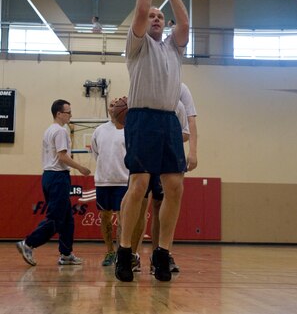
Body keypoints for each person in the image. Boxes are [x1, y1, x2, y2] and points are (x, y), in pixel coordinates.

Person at [115, 0, 189, 282]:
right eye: (153, 16)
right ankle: (124, 252)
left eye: (161, 16)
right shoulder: (138, 44)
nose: (156, 18)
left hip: (169, 120)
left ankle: (162, 253)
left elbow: (184, 25)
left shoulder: (174, 47)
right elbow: (142, 11)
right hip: (142, 117)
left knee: (174, 186)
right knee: (140, 184)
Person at [16, 99, 91, 266]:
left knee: (67, 218)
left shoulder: (49, 130)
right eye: (68, 112)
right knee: (56, 218)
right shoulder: (60, 131)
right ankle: (28, 243)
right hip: (58, 177)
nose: (70, 115)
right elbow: (62, 156)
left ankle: (66, 254)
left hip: (49, 176)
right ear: (59, 113)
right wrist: (81, 168)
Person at [131, 98, 190, 274]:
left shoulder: (177, 105)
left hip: (165, 159)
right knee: (140, 205)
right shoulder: (141, 101)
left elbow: (186, 134)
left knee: (159, 205)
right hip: (144, 158)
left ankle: (160, 255)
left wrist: (165, 138)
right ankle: (131, 254)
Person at [91, 96, 129, 267]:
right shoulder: (99, 130)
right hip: (103, 181)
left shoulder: (129, 130)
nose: (114, 107)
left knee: (122, 220)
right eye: (112, 105)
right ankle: (109, 252)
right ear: (109, 109)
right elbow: (96, 154)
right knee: (105, 218)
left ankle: (122, 253)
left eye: (117, 105)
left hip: (123, 181)